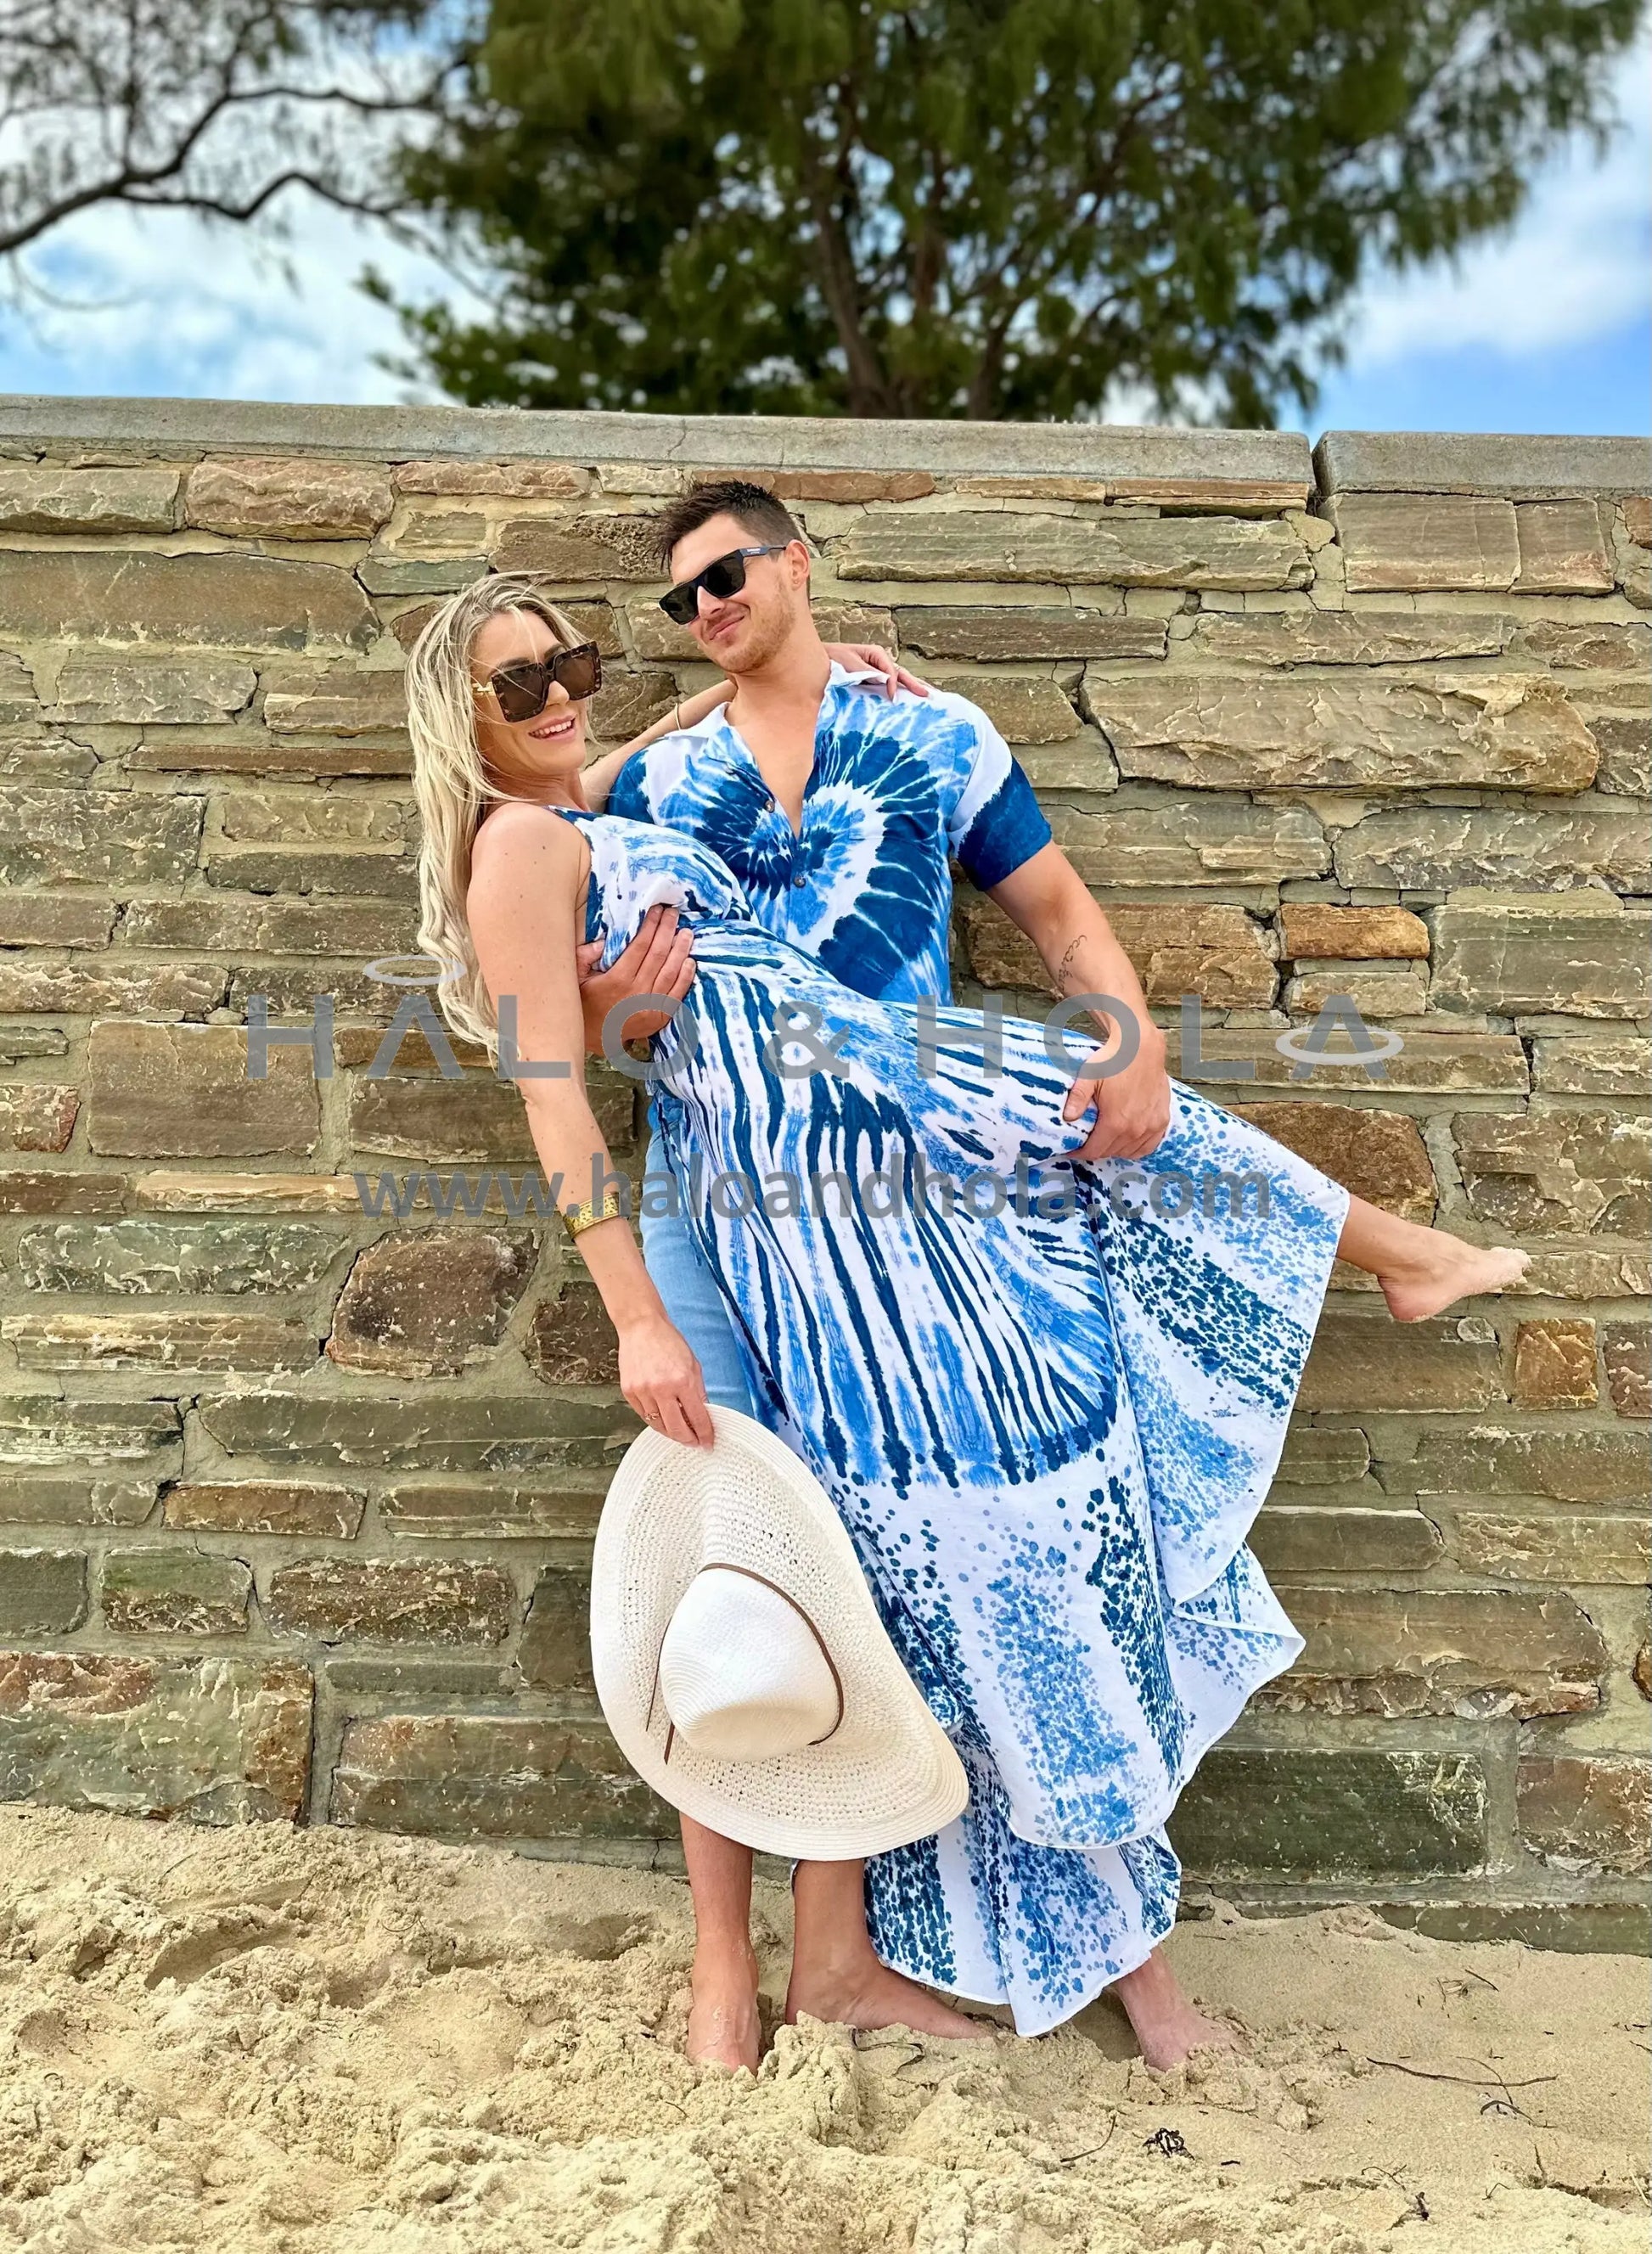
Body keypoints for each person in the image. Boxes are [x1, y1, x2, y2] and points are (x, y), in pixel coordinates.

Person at [404, 570, 1528, 2082]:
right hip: (750, 1172)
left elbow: (614, 780)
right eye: (515, 684)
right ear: (457, 720)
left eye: (571, 663)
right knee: (753, 1565)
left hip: (835, 1114)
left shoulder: (589, 797)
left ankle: (832, 1959)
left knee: (1093, 1154)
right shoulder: (526, 840)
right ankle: (729, 1976)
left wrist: (766, 683)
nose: (557, 696)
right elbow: (549, 1090)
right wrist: (634, 1316)